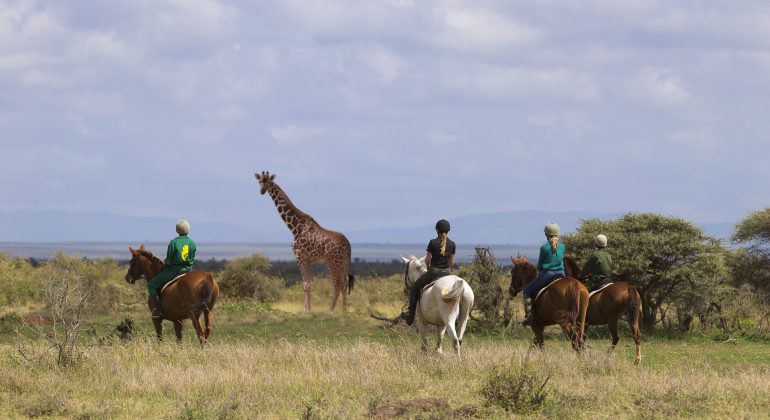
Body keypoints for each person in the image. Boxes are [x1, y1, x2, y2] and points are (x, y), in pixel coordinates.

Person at [401, 219, 456, 326]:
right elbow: (452, 262)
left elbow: (427, 260)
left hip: (434, 272)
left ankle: (410, 316)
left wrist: (429, 267)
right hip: (448, 273)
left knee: (415, 288)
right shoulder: (452, 244)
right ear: (448, 230)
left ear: (437, 230)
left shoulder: (432, 242)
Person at [147, 220, 197, 319]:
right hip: (188, 270)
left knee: (152, 284)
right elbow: (192, 259)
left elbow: (169, 261)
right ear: (188, 229)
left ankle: (158, 310)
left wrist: (164, 266)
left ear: (177, 230)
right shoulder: (192, 243)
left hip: (174, 270)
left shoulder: (173, 242)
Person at [521, 222, 566, 326]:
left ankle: (529, 317)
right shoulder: (562, 247)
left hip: (548, 274)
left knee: (527, 291)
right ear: (557, 234)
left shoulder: (544, 248)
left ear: (546, 235)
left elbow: (540, 265)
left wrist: (539, 269)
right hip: (561, 273)